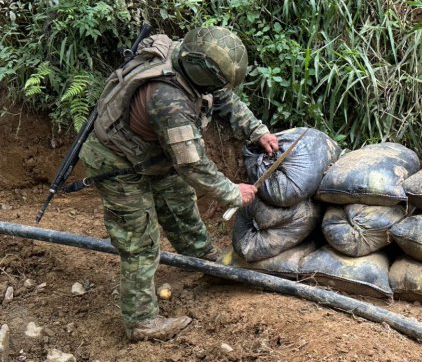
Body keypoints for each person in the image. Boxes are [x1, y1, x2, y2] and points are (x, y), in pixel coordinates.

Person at [79, 26, 279, 341]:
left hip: (152, 153)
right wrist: (231, 192)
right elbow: (193, 164)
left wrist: (257, 130)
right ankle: (141, 321)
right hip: (117, 164)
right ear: (202, 69)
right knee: (140, 241)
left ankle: (205, 262)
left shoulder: (189, 59)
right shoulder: (170, 100)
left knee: (180, 204)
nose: (220, 87)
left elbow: (224, 99)